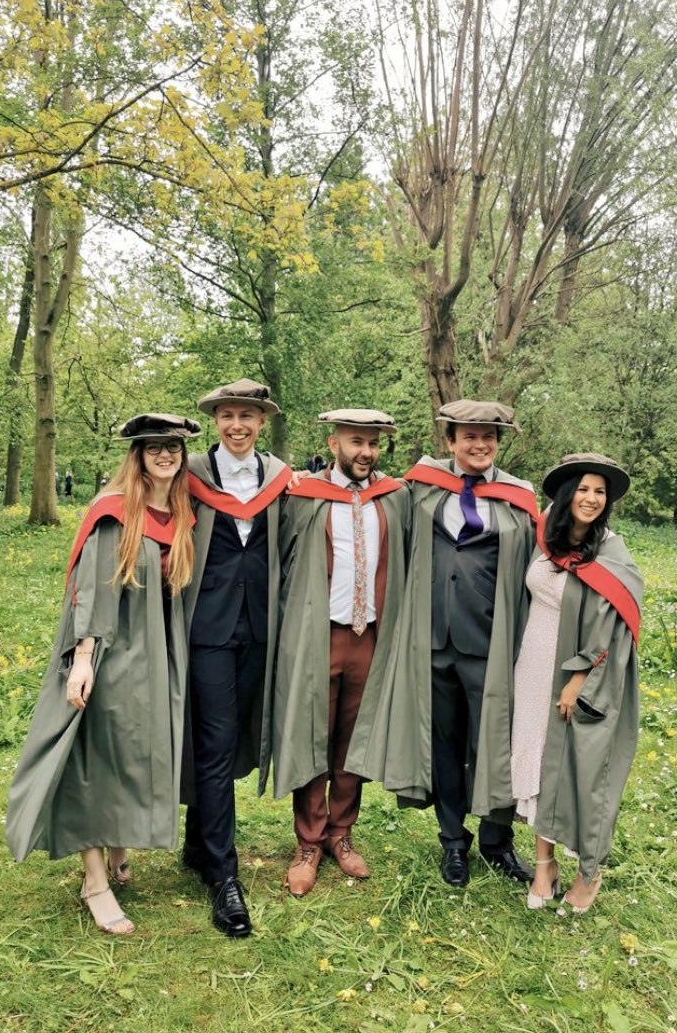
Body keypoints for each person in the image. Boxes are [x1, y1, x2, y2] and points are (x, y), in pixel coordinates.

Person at [6, 413, 201, 934]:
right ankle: (95, 882)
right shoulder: (114, 512)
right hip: (111, 652)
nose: (165, 455)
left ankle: (118, 850)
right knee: (94, 761)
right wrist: (84, 661)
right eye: (154, 447)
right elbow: (91, 591)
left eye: (173, 448)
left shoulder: (178, 511)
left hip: (155, 653)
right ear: (136, 456)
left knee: (134, 755)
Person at [366, 400, 538, 888]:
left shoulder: (518, 499)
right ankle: (453, 842)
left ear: (497, 443)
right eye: (469, 436)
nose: (479, 444)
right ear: (450, 441)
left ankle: (497, 841)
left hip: (491, 643)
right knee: (442, 743)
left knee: (494, 744)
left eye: (488, 437)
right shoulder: (422, 488)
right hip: (432, 641)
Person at [272, 409, 410, 897]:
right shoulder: (304, 498)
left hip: (369, 637)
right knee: (314, 736)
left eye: (372, 444)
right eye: (356, 442)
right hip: (317, 635)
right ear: (334, 444)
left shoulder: (393, 499)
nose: (365, 452)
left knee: (355, 741)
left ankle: (341, 834)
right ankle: (308, 842)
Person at [181, 378, 293, 938]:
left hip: (260, 628)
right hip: (207, 627)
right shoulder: (191, 475)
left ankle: (197, 844)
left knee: (228, 737)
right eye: (228, 415)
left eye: (247, 415)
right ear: (217, 420)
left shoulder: (281, 479)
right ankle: (225, 876)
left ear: (261, 421)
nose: (237, 425)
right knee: (217, 740)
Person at [511, 453, 643, 914]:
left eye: (599, 492)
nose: (591, 499)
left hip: (577, 673)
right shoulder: (544, 537)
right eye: (584, 489)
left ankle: (590, 873)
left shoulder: (611, 550)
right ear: (567, 495)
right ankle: (543, 864)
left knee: (583, 770)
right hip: (532, 665)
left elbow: (614, 623)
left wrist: (578, 679)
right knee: (537, 764)